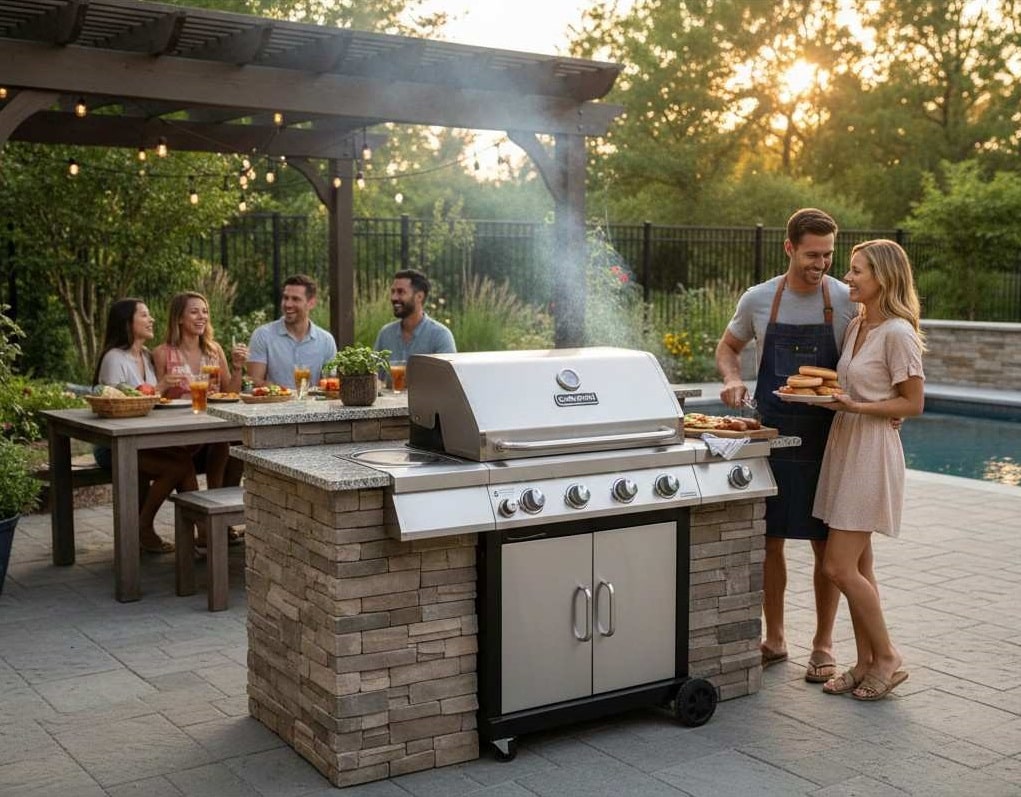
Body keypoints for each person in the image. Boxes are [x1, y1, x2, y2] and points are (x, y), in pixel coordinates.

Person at [715, 208, 857, 682]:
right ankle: (774, 638)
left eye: (828, 255)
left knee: (823, 544)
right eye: (812, 255)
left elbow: (865, 362)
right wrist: (733, 380)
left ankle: (823, 644)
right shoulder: (759, 299)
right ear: (790, 248)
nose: (821, 265)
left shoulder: (844, 299)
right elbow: (727, 347)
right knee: (768, 539)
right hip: (772, 432)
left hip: (826, 437)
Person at [813, 239, 924, 701]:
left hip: (870, 453)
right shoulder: (858, 324)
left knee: (838, 566)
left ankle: (888, 657)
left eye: (858, 271)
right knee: (860, 564)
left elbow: (913, 402)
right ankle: (864, 662)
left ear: (883, 277)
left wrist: (859, 405)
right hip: (846, 444)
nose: (848, 277)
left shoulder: (897, 332)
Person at [94, 299, 198, 554]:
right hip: (114, 445)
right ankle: (143, 527)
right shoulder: (114, 359)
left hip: (143, 441)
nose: (151, 320)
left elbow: (151, 401)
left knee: (185, 460)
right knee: (180, 465)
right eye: (144, 315)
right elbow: (116, 404)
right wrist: (160, 387)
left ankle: (201, 535)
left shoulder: (147, 356)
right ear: (128, 322)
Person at [152, 291, 245, 491]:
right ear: (178, 318)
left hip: (210, 432)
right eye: (194, 312)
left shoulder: (214, 350)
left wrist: (237, 367)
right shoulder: (162, 354)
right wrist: (164, 385)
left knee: (231, 444)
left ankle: (219, 504)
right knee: (220, 444)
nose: (202, 316)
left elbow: (230, 393)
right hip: (177, 434)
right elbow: (153, 399)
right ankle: (206, 516)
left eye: (205, 312)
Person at [246, 274, 337, 388]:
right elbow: (254, 382)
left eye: (295, 299)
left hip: (313, 405)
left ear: (311, 303)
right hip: (273, 405)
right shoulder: (263, 335)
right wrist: (284, 394)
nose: (288, 304)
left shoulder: (326, 341)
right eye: (285, 298)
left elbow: (330, 386)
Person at [373, 268, 456, 360]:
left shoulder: (440, 336)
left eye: (401, 292)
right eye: (393, 291)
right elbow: (375, 372)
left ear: (419, 296)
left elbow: (446, 374)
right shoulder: (385, 334)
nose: (394, 297)